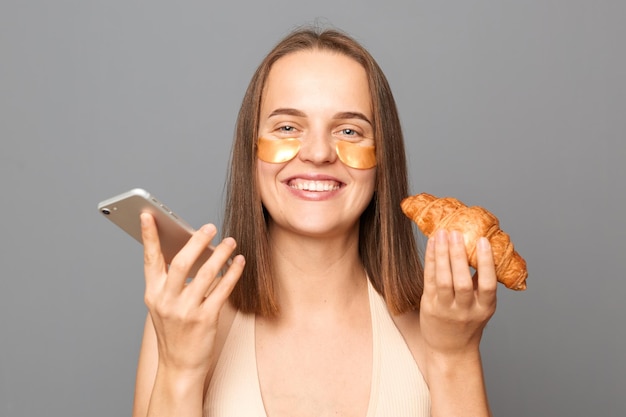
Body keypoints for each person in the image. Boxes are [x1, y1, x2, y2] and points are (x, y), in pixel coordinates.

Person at [132, 27, 497, 417]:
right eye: (287, 127)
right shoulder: (184, 318)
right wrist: (179, 370)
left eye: (349, 130)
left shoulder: (436, 327)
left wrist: (456, 356)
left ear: (382, 159)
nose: (319, 152)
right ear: (250, 151)